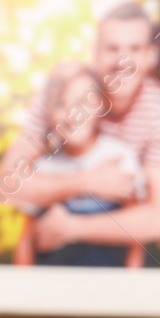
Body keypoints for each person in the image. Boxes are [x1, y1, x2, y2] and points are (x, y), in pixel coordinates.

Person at [0, 2, 160, 262]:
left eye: (135, 49)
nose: (123, 60)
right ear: (94, 53)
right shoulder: (61, 93)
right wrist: (88, 181)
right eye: (112, 48)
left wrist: (72, 229)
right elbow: (5, 187)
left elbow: (157, 220)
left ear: (150, 56)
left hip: (108, 250)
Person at [11, 63, 144, 268]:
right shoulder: (43, 167)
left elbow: (136, 232)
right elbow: (27, 239)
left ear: (99, 105)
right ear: (48, 113)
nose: (72, 114)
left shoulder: (119, 156)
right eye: (61, 104)